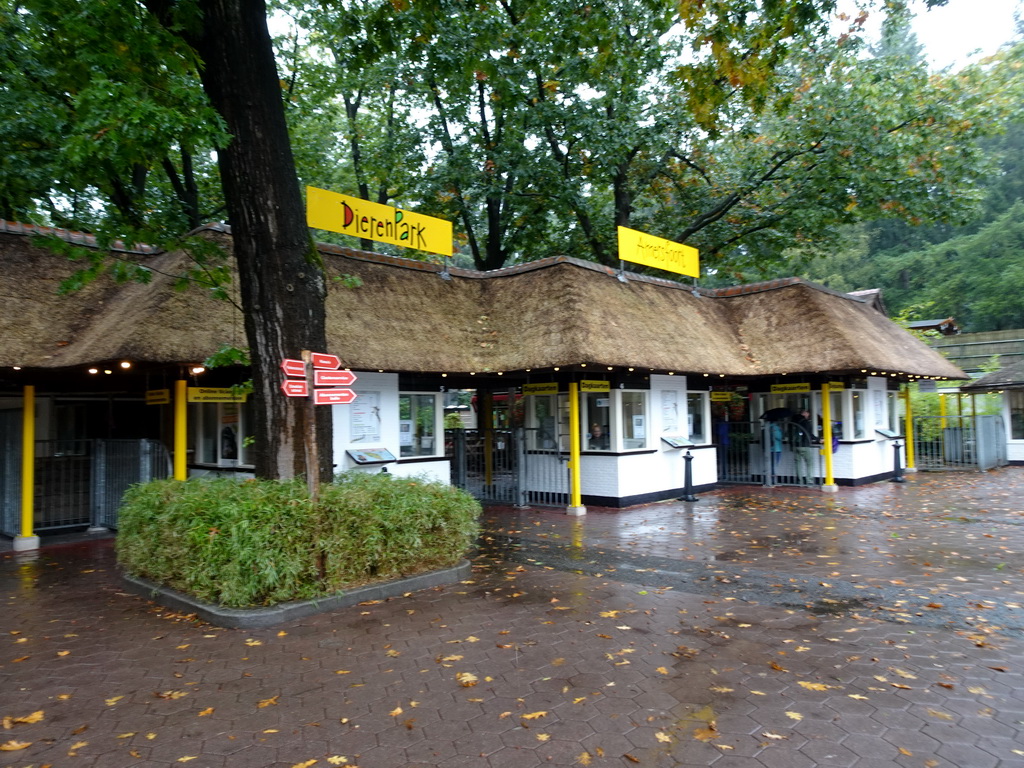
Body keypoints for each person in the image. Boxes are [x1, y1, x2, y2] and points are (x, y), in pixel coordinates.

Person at [792, 409, 816, 485]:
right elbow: (809, 435)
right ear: (805, 413)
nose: (808, 415)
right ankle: (809, 481)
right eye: (808, 413)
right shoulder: (806, 423)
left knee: (798, 463)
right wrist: (818, 439)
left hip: (796, 445)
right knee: (809, 463)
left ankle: (800, 481)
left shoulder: (794, 421)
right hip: (805, 445)